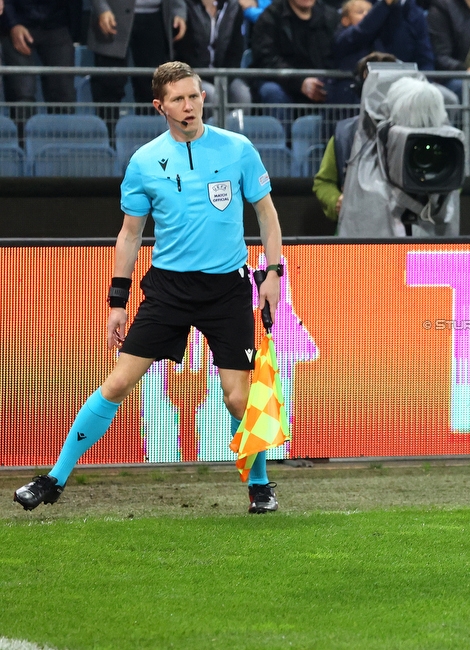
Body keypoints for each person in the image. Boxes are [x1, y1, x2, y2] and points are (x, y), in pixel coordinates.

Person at [13, 62, 285, 515]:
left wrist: (273, 272)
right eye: (178, 99)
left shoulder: (238, 149)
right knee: (117, 383)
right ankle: (54, 479)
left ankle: (259, 483)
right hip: (168, 292)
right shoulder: (143, 161)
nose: (190, 106)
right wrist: (116, 302)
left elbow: (267, 214)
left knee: (239, 397)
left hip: (228, 290)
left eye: (195, 96)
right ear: (159, 106)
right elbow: (130, 234)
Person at [313, 51, 397, 222]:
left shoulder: (418, 131)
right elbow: (323, 182)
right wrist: (336, 201)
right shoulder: (345, 133)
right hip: (355, 233)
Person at [88, 0, 188, 105]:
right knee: (109, 85)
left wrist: (178, 10)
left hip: (156, 20)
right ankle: (107, 121)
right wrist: (102, 8)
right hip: (112, 19)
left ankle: (150, 121)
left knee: (153, 87)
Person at [251, 0, 341, 105]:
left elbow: (338, 56)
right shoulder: (270, 17)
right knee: (272, 91)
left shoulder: (331, 16)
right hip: (282, 83)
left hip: (321, 83)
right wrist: (300, 83)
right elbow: (266, 59)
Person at [0, 0, 82, 105]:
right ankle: (22, 121)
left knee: (64, 93)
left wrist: (74, 35)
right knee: (23, 95)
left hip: (57, 24)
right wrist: (12, 24)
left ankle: (63, 121)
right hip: (17, 23)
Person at [175, 0, 252, 106]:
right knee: (210, 94)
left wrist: (223, 78)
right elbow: (184, 51)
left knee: (242, 94)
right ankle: (209, 123)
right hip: (193, 74)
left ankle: (237, 123)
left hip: (226, 75)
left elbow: (236, 49)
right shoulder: (187, 6)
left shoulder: (232, 7)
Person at [332, 0, 435, 73]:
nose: (365, 14)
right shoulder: (363, 5)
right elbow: (351, 38)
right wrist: (383, 5)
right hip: (358, 83)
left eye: (367, 12)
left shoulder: (415, 12)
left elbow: (425, 56)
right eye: (361, 12)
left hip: (403, 81)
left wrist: (424, 81)